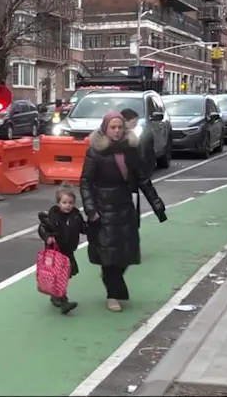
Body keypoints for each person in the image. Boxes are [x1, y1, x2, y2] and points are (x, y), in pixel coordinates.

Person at [80, 110, 167, 313]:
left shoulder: (131, 150)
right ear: (105, 128)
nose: (117, 131)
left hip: (126, 206)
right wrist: (91, 209)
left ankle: (110, 279)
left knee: (127, 253)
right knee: (109, 254)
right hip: (103, 208)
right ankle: (113, 295)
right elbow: (85, 182)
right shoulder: (96, 152)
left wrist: (156, 204)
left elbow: (143, 179)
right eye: (113, 127)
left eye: (120, 127)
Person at [37, 183, 86, 315]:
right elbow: (42, 228)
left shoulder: (76, 215)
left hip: (68, 250)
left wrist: (93, 229)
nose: (67, 205)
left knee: (66, 274)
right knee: (59, 275)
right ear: (58, 203)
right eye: (64, 202)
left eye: (70, 202)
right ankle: (63, 300)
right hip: (55, 250)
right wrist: (47, 237)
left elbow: (82, 228)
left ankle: (56, 295)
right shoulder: (52, 215)